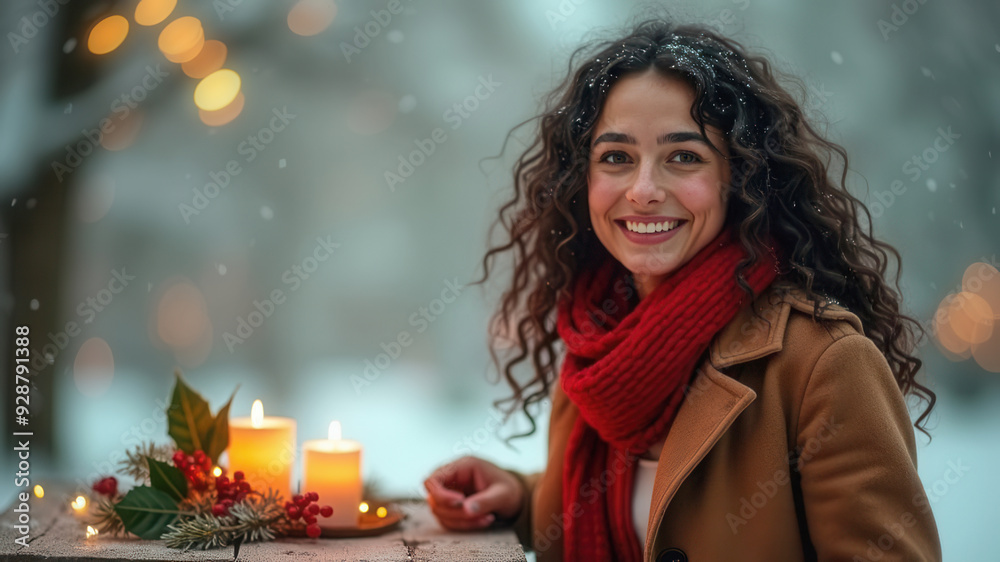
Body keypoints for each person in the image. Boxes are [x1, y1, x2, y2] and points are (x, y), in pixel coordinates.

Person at [423, 18, 942, 562]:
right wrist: (518, 500)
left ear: (738, 177)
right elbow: (624, 516)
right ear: (585, 181)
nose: (644, 190)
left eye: (684, 156)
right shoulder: (598, 344)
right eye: (616, 157)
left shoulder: (824, 362)